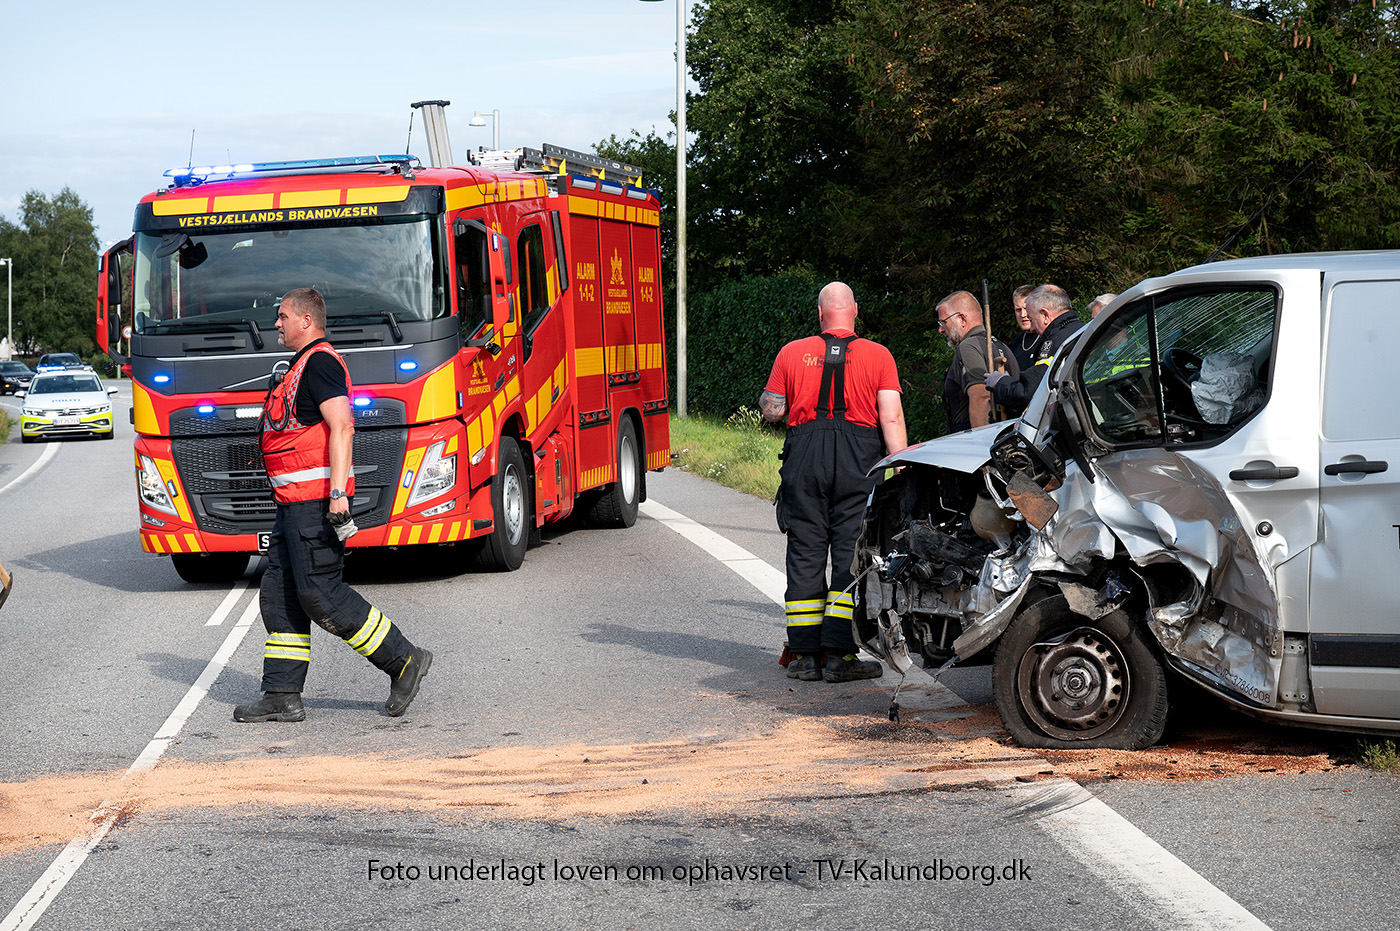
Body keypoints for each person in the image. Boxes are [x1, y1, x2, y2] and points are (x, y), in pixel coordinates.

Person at [234, 288, 432, 723]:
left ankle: (404, 660)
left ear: (307, 320)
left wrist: (338, 494)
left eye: (283, 316)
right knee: (280, 594)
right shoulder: (298, 367)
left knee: (320, 594)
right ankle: (282, 694)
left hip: (314, 506)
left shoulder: (320, 362)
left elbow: (342, 426)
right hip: (291, 507)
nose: (277, 324)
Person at [759, 282, 907, 683]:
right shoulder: (879, 355)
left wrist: (785, 393)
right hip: (859, 461)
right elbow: (890, 417)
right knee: (849, 555)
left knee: (805, 552)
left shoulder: (791, 352)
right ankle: (839, 655)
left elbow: (773, 410)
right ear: (854, 310)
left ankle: (806, 657)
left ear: (820, 312)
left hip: (805, 459)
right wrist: (900, 466)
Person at [985, 283, 1084, 414]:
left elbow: (1027, 393)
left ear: (1045, 315)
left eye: (1031, 319)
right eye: (1018, 310)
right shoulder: (1079, 328)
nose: (1031, 328)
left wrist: (1001, 383)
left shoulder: (1054, 342)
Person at [937, 291, 1020, 434]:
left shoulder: (968, 346)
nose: (940, 330)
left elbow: (981, 396)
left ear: (962, 319)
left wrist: (981, 445)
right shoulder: (1002, 346)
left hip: (977, 440)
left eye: (944, 322)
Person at [1009, 284, 1038, 373]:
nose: (1023, 315)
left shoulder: (1047, 338)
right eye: (1018, 310)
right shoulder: (1018, 341)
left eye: (1026, 308)